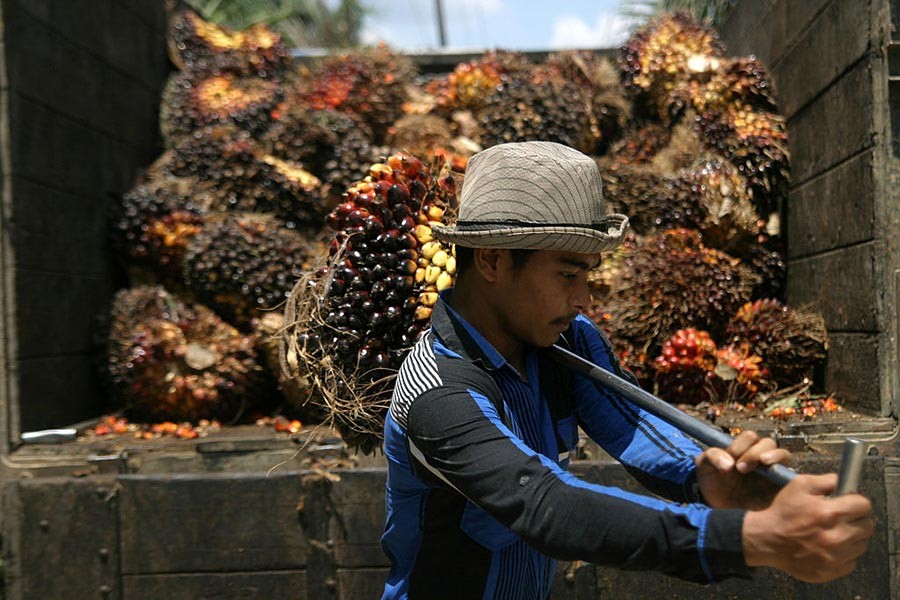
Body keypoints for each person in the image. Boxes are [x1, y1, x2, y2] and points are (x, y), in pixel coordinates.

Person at [379, 141, 873, 599]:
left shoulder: (566, 342)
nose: (584, 299)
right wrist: (750, 538)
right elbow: (546, 505)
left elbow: (636, 427)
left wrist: (709, 479)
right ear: (491, 260)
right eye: (569, 273)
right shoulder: (436, 393)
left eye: (587, 275)